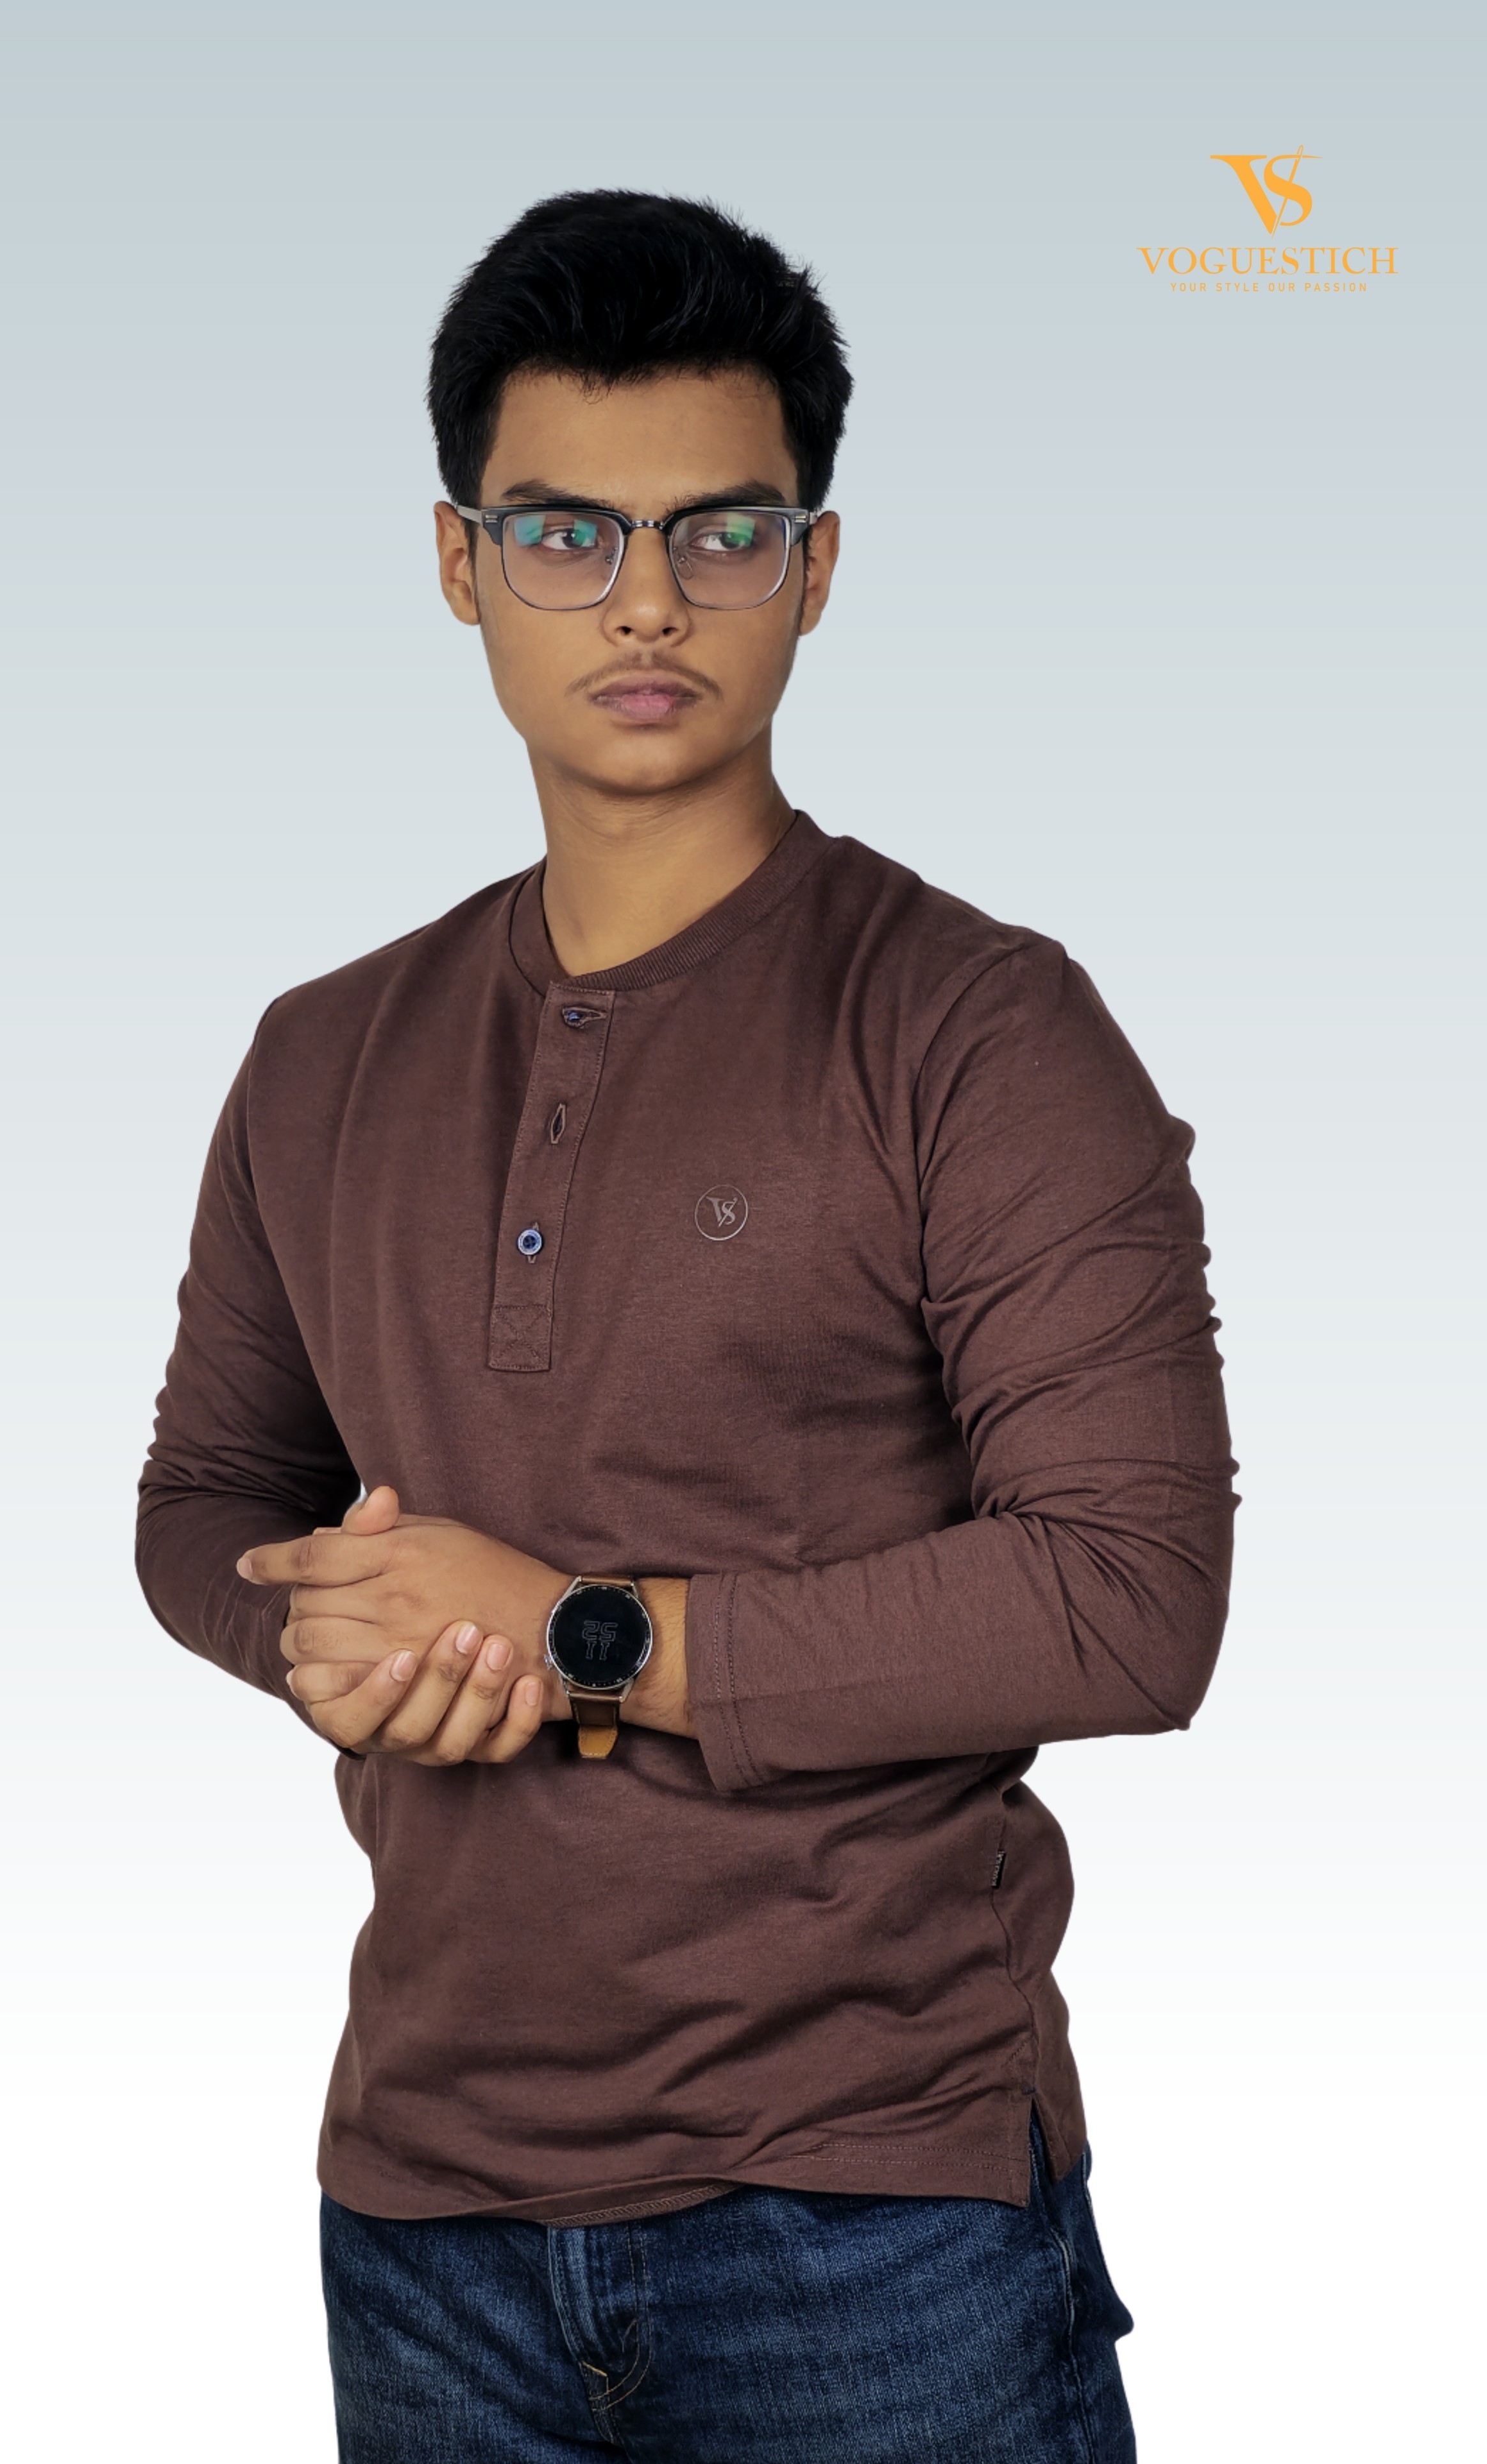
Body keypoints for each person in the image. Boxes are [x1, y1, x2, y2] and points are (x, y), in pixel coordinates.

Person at [137, 189, 1236, 2463]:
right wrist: (321, 1631)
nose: (645, 602)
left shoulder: (978, 1028)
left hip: (877, 2221)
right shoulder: (320, 1053)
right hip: (425, 2216)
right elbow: (204, 1498)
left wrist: (582, 1639)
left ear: (813, 569)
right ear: (461, 565)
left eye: (720, 532)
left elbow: (1132, 1599)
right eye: (565, 533)